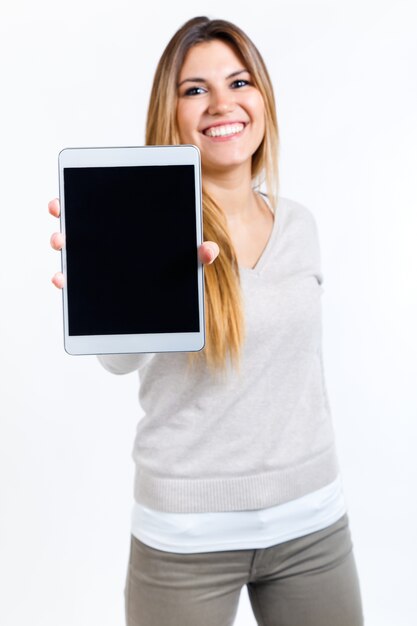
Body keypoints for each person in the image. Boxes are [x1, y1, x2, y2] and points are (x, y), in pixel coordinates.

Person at [49, 15, 364, 626]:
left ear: (263, 98)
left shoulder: (301, 225)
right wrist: (112, 277)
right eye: (195, 89)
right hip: (185, 539)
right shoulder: (148, 232)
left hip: (313, 525)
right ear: (170, 112)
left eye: (239, 81)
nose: (222, 103)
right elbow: (117, 361)